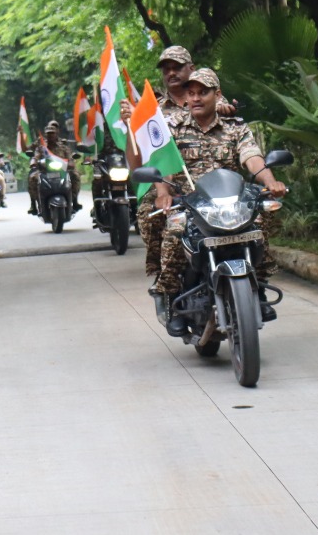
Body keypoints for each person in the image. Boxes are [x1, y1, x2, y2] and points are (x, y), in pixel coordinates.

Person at [152, 68, 288, 336]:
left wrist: (270, 181)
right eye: (191, 93)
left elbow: (252, 158)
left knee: (261, 222)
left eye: (203, 92)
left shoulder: (235, 127)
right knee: (173, 234)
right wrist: (162, 192)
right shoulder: (173, 127)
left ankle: (258, 286)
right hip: (193, 204)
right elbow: (163, 163)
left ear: (218, 95)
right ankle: (173, 303)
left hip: (231, 202)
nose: (196, 98)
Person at [123, 46, 236, 277]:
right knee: (149, 214)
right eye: (167, 70)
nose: (171, 73)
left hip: (217, 181)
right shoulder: (152, 110)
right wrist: (133, 125)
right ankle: (167, 279)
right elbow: (138, 164)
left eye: (177, 68)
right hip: (172, 183)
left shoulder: (213, 98)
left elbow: (240, 137)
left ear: (191, 69)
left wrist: (226, 111)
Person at [28, 121, 80, 215]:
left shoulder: (63, 147)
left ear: (56, 134)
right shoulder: (41, 147)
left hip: (62, 172)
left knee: (75, 175)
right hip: (45, 172)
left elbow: (69, 157)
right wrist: (34, 162)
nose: (50, 136)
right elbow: (36, 157)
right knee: (32, 178)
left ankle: (74, 201)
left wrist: (71, 162)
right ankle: (35, 203)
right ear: (45, 135)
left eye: (52, 133)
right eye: (48, 134)